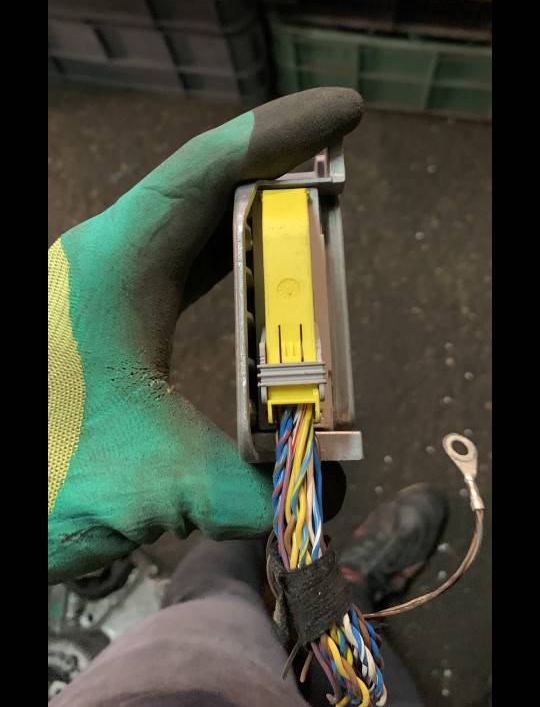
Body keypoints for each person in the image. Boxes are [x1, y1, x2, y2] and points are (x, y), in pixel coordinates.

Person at [49, 88, 447, 706]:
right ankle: (335, 591)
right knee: (273, 602)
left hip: (137, 678)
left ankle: (293, 582)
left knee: (211, 591)